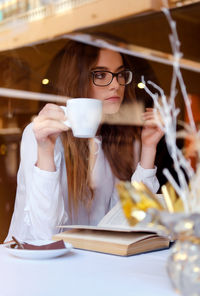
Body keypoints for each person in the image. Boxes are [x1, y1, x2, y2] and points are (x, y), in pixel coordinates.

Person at [6, 40, 164, 241]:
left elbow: (132, 221)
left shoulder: (120, 140)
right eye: (100, 75)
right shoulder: (42, 135)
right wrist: (46, 151)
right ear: (78, 81)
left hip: (87, 262)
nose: (116, 84)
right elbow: (44, 234)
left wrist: (148, 150)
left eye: (120, 74)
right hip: (34, 264)